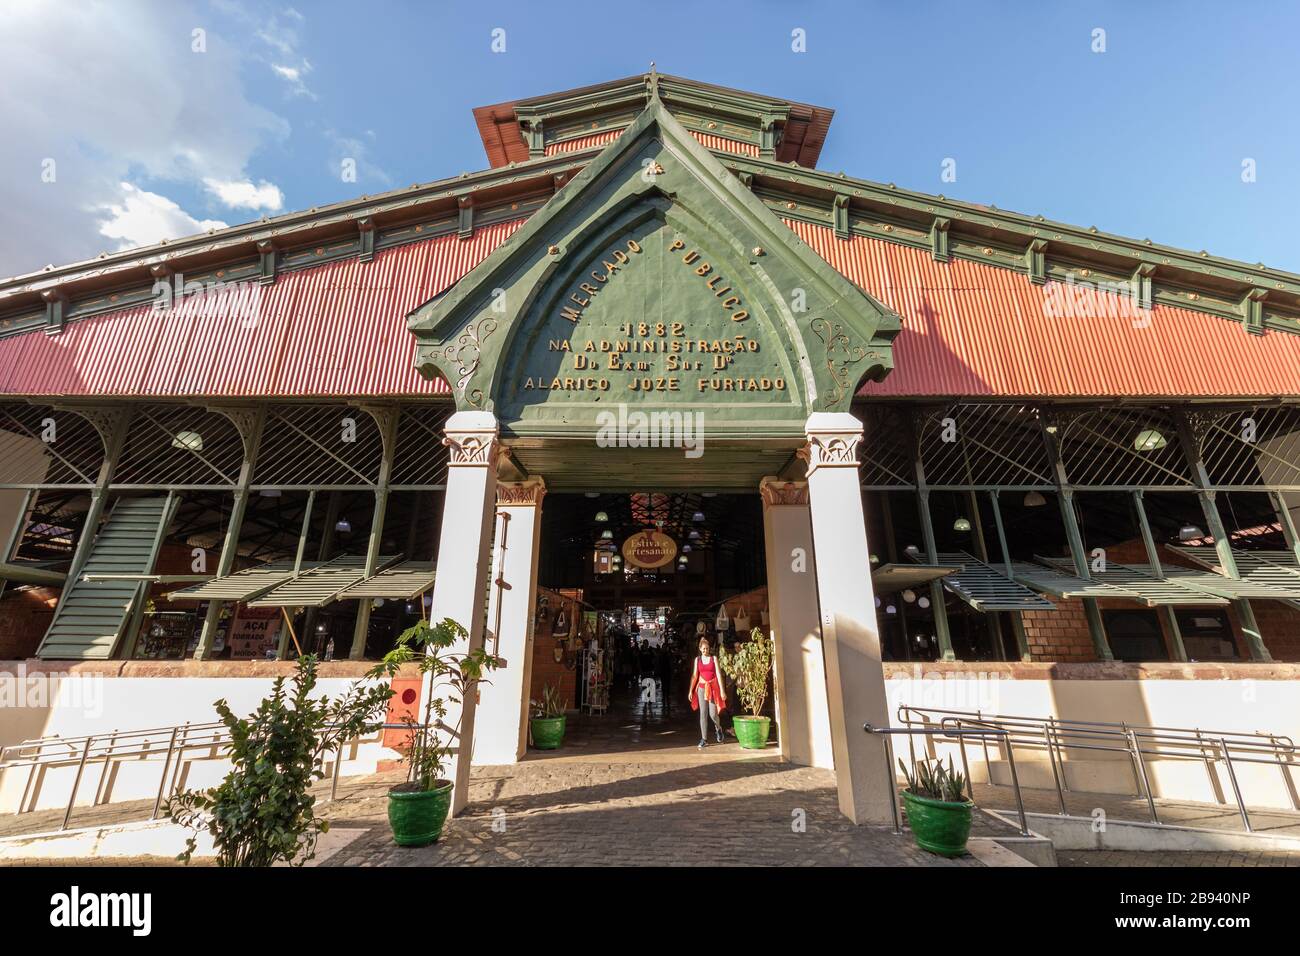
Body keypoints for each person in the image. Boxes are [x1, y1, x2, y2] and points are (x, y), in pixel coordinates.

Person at [688, 636, 727, 748]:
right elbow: (695, 675)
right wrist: (691, 690)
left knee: (713, 714)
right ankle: (704, 739)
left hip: (713, 688)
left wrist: (722, 691)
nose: (706, 650)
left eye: (707, 648)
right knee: (703, 714)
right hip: (701, 688)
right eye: (704, 649)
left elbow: (719, 675)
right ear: (700, 649)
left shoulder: (714, 659)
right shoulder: (697, 660)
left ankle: (718, 728)